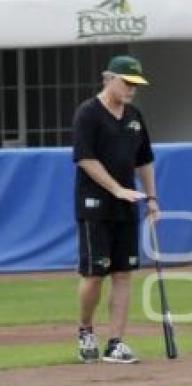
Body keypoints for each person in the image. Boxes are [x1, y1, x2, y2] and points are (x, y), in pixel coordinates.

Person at [73, 55, 160, 364]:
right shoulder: (88, 113)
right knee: (95, 273)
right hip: (95, 205)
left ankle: (116, 341)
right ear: (109, 78)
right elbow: (85, 158)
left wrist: (152, 199)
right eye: (127, 83)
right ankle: (85, 330)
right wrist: (116, 189)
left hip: (128, 205)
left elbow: (144, 160)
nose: (132, 90)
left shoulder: (135, 116)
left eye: (136, 85)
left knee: (123, 274)